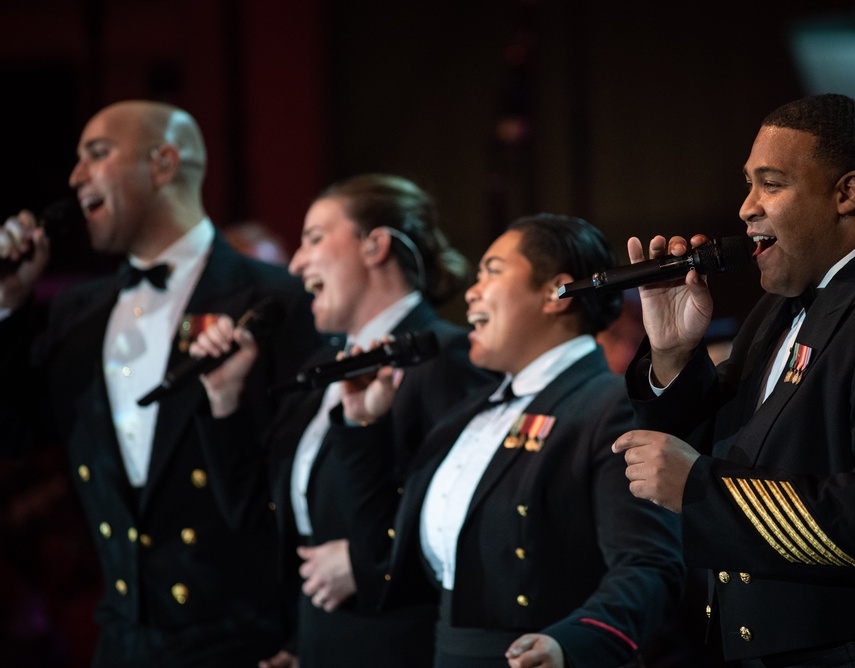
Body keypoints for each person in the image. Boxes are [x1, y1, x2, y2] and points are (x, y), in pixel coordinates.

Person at [613, 93, 855, 667]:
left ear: (847, 193)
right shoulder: (788, 301)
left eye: (771, 184)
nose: (746, 207)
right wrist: (672, 354)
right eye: (748, 183)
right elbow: (734, 448)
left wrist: (701, 491)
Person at [0, 100, 320, 667]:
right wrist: (7, 305)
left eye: (97, 154)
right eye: (76, 161)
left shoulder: (278, 300)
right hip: (123, 640)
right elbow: (14, 433)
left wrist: (304, 639)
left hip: (246, 642)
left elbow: (309, 485)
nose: (76, 177)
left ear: (165, 163)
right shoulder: (76, 313)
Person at [326, 213, 685, 667]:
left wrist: (573, 644)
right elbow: (385, 556)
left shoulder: (610, 405)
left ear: (555, 293)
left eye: (492, 271)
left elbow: (650, 566)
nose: (472, 292)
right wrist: (364, 428)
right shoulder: (470, 412)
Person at [191, 173, 497, 667]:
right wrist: (224, 396)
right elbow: (258, 518)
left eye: (314, 238)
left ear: (375, 245)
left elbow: (473, 515)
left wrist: (366, 563)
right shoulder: (319, 373)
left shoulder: (446, 356)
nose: (295, 263)